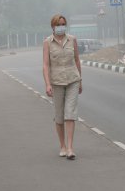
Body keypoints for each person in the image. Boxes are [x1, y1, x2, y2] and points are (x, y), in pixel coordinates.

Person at [43, 14, 82, 160]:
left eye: (63, 24)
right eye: (58, 24)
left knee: (70, 113)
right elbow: (46, 65)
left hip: (73, 80)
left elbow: (77, 60)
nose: (61, 27)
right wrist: (47, 84)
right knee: (59, 116)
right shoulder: (47, 42)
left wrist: (80, 80)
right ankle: (62, 146)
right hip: (56, 82)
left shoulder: (72, 40)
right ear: (53, 26)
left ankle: (71, 148)